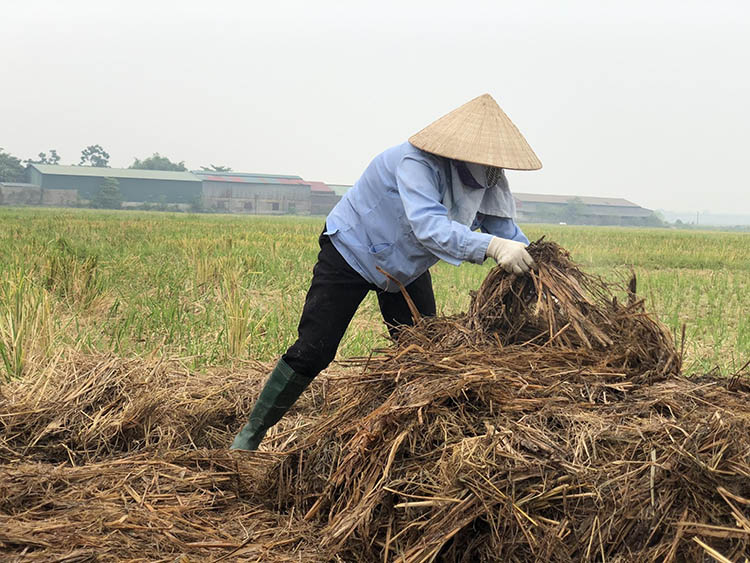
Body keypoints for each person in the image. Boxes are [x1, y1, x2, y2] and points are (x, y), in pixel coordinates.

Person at [231, 93, 542, 451]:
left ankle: (407, 438)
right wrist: (491, 247)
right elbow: (430, 227)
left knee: (422, 352)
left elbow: (504, 228)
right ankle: (250, 435)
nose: (493, 169)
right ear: (461, 150)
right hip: (353, 250)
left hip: (405, 269)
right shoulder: (417, 162)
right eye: (487, 160)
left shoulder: (489, 177)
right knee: (314, 349)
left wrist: (534, 258)